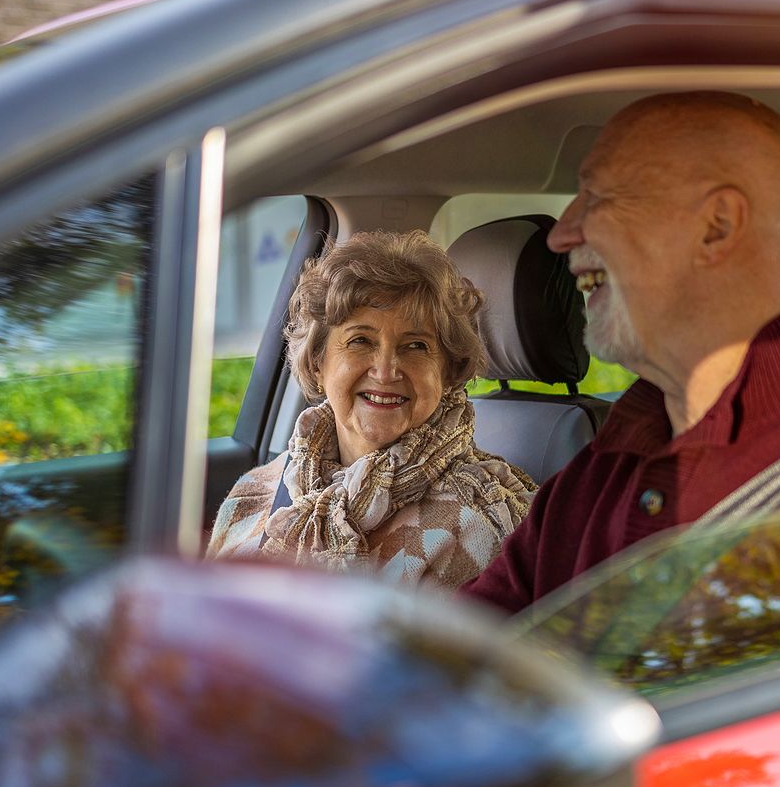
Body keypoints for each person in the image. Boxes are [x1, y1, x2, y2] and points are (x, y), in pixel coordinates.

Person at [462, 92, 780, 611]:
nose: (561, 236)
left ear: (717, 227)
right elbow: (465, 644)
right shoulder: (599, 468)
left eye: (597, 197)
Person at [208, 230, 536, 586]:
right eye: (360, 340)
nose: (386, 370)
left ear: (447, 372)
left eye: (416, 345)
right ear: (317, 363)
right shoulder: (254, 491)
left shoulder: (481, 523)